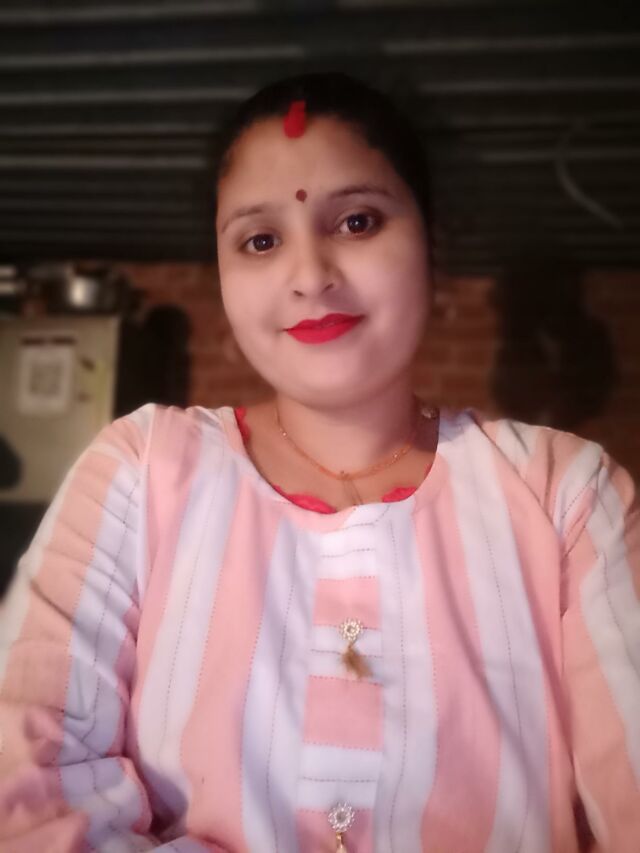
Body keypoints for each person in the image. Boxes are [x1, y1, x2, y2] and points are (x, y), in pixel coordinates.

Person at [0, 72, 639, 853]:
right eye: (260, 241)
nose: (310, 275)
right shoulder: (140, 471)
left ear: (433, 246)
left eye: (358, 221)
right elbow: (26, 792)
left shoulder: (566, 493)